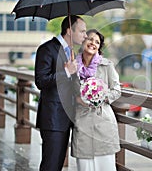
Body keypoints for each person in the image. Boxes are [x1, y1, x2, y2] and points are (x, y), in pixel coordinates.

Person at [35, 15, 87, 171]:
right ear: (70, 30)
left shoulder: (71, 52)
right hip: (53, 119)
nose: (85, 35)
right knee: (51, 165)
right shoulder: (46, 49)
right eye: (82, 31)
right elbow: (41, 81)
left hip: (66, 119)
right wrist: (66, 71)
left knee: (57, 165)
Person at [71, 29, 121, 171]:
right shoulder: (72, 65)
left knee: (106, 166)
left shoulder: (107, 65)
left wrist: (100, 96)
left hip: (103, 121)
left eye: (97, 42)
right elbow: (67, 91)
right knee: (84, 167)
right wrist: (76, 99)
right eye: (90, 39)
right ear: (83, 41)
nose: (93, 43)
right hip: (82, 121)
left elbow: (117, 90)